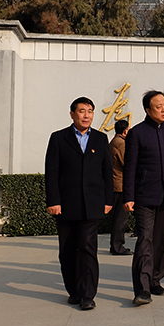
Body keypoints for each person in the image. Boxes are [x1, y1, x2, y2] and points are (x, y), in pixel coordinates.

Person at [45, 97, 112, 310]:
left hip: (92, 204)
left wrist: (108, 200)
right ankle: (74, 291)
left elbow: (107, 172)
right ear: (72, 114)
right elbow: (52, 172)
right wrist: (53, 200)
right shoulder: (58, 138)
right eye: (82, 111)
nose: (86, 115)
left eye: (90, 111)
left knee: (87, 247)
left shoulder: (101, 139)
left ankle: (87, 294)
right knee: (67, 251)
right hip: (66, 205)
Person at [123, 90, 164, 306]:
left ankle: (155, 280)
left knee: (161, 241)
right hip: (145, 196)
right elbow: (130, 168)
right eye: (158, 106)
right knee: (145, 239)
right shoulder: (137, 133)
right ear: (148, 110)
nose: (163, 109)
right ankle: (142, 289)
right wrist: (128, 196)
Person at [108, 119, 132, 256]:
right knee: (121, 218)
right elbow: (127, 164)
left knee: (118, 217)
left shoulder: (114, 141)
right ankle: (117, 246)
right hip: (120, 186)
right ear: (125, 131)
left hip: (116, 184)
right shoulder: (121, 144)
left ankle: (115, 245)